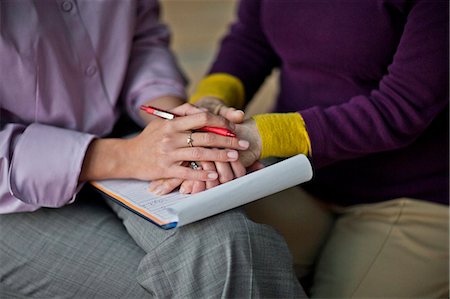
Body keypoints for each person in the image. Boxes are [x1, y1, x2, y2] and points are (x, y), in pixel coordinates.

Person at [0, 1, 307, 297]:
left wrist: (182, 128)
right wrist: (125, 156)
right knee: (207, 273)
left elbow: (141, 40)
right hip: (11, 196)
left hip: (129, 133)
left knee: (228, 244)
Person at [154, 0, 449, 297]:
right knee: (208, 272)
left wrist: (263, 136)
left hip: (414, 194)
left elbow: (403, 107)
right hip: (297, 176)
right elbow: (250, 41)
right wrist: (211, 103)